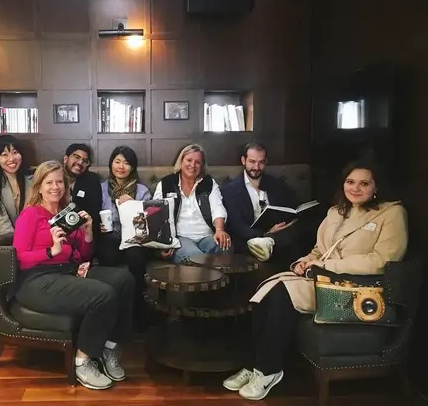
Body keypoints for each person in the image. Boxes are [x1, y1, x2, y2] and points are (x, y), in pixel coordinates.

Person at [222, 160, 408, 401]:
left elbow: (382, 260)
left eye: (364, 184)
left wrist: (326, 266)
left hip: (357, 289)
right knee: (265, 291)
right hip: (323, 278)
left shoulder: (392, 214)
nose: (355, 188)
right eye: (350, 182)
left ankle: (269, 370)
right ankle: (253, 364)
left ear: (376, 187)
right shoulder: (336, 212)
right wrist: (304, 262)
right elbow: (320, 251)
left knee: (281, 294)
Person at [12, 161, 135, 390]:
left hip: (68, 272)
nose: (55, 187)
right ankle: (82, 362)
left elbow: (83, 253)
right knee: (103, 294)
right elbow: (18, 257)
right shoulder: (30, 214)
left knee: (124, 280)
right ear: (39, 187)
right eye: (49, 182)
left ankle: (108, 348)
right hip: (36, 280)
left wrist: (88, 233)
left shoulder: (67, 212)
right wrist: (51, 251)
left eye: (59, 181)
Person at [222, 142, 319, 269]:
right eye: (252, 162)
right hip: (250, 238)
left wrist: (295, 217)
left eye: (261, 162)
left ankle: (272, 243)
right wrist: (266, 233)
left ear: (266, 161)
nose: (256, 167)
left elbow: (292, 207)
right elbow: (236, 226)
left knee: (304, 228)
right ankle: (269, 242)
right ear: (243, 160)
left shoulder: (276, 184)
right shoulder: (230, 189)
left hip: (279, 232)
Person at [96, 146, 153, 327]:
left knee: (136, 255)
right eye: (117, 161)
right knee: (107, 249)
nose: (121, 167)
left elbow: (149, 223)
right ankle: (109, 310)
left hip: (135, 238)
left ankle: (137, 311)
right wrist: (98, 227)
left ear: (133, 167)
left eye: (127, 163)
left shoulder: (142, 191)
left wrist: (133, 205)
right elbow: (93, 216)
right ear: (111, 164)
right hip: (110, 238)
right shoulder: (101, 189)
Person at [153, 143, 231, 263]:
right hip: (181, 238)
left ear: (202, 165)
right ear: (181, 161)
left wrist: (219, 230)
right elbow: (156, 215)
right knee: (196, 257)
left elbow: (217, 207)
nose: (193, 165)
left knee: (224, 247)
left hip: (207, 236)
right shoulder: (166, 184)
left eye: (198, 162)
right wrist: (161, 245)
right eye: (189, 160)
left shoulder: (209, 183)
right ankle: (209, 274)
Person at [63, 143, 103, 238]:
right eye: (76, 157)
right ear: (66, 159)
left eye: (85, 161)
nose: (80, 163)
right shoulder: (56, 178)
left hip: (83, 232)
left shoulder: (92, 180)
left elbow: (94, 213)